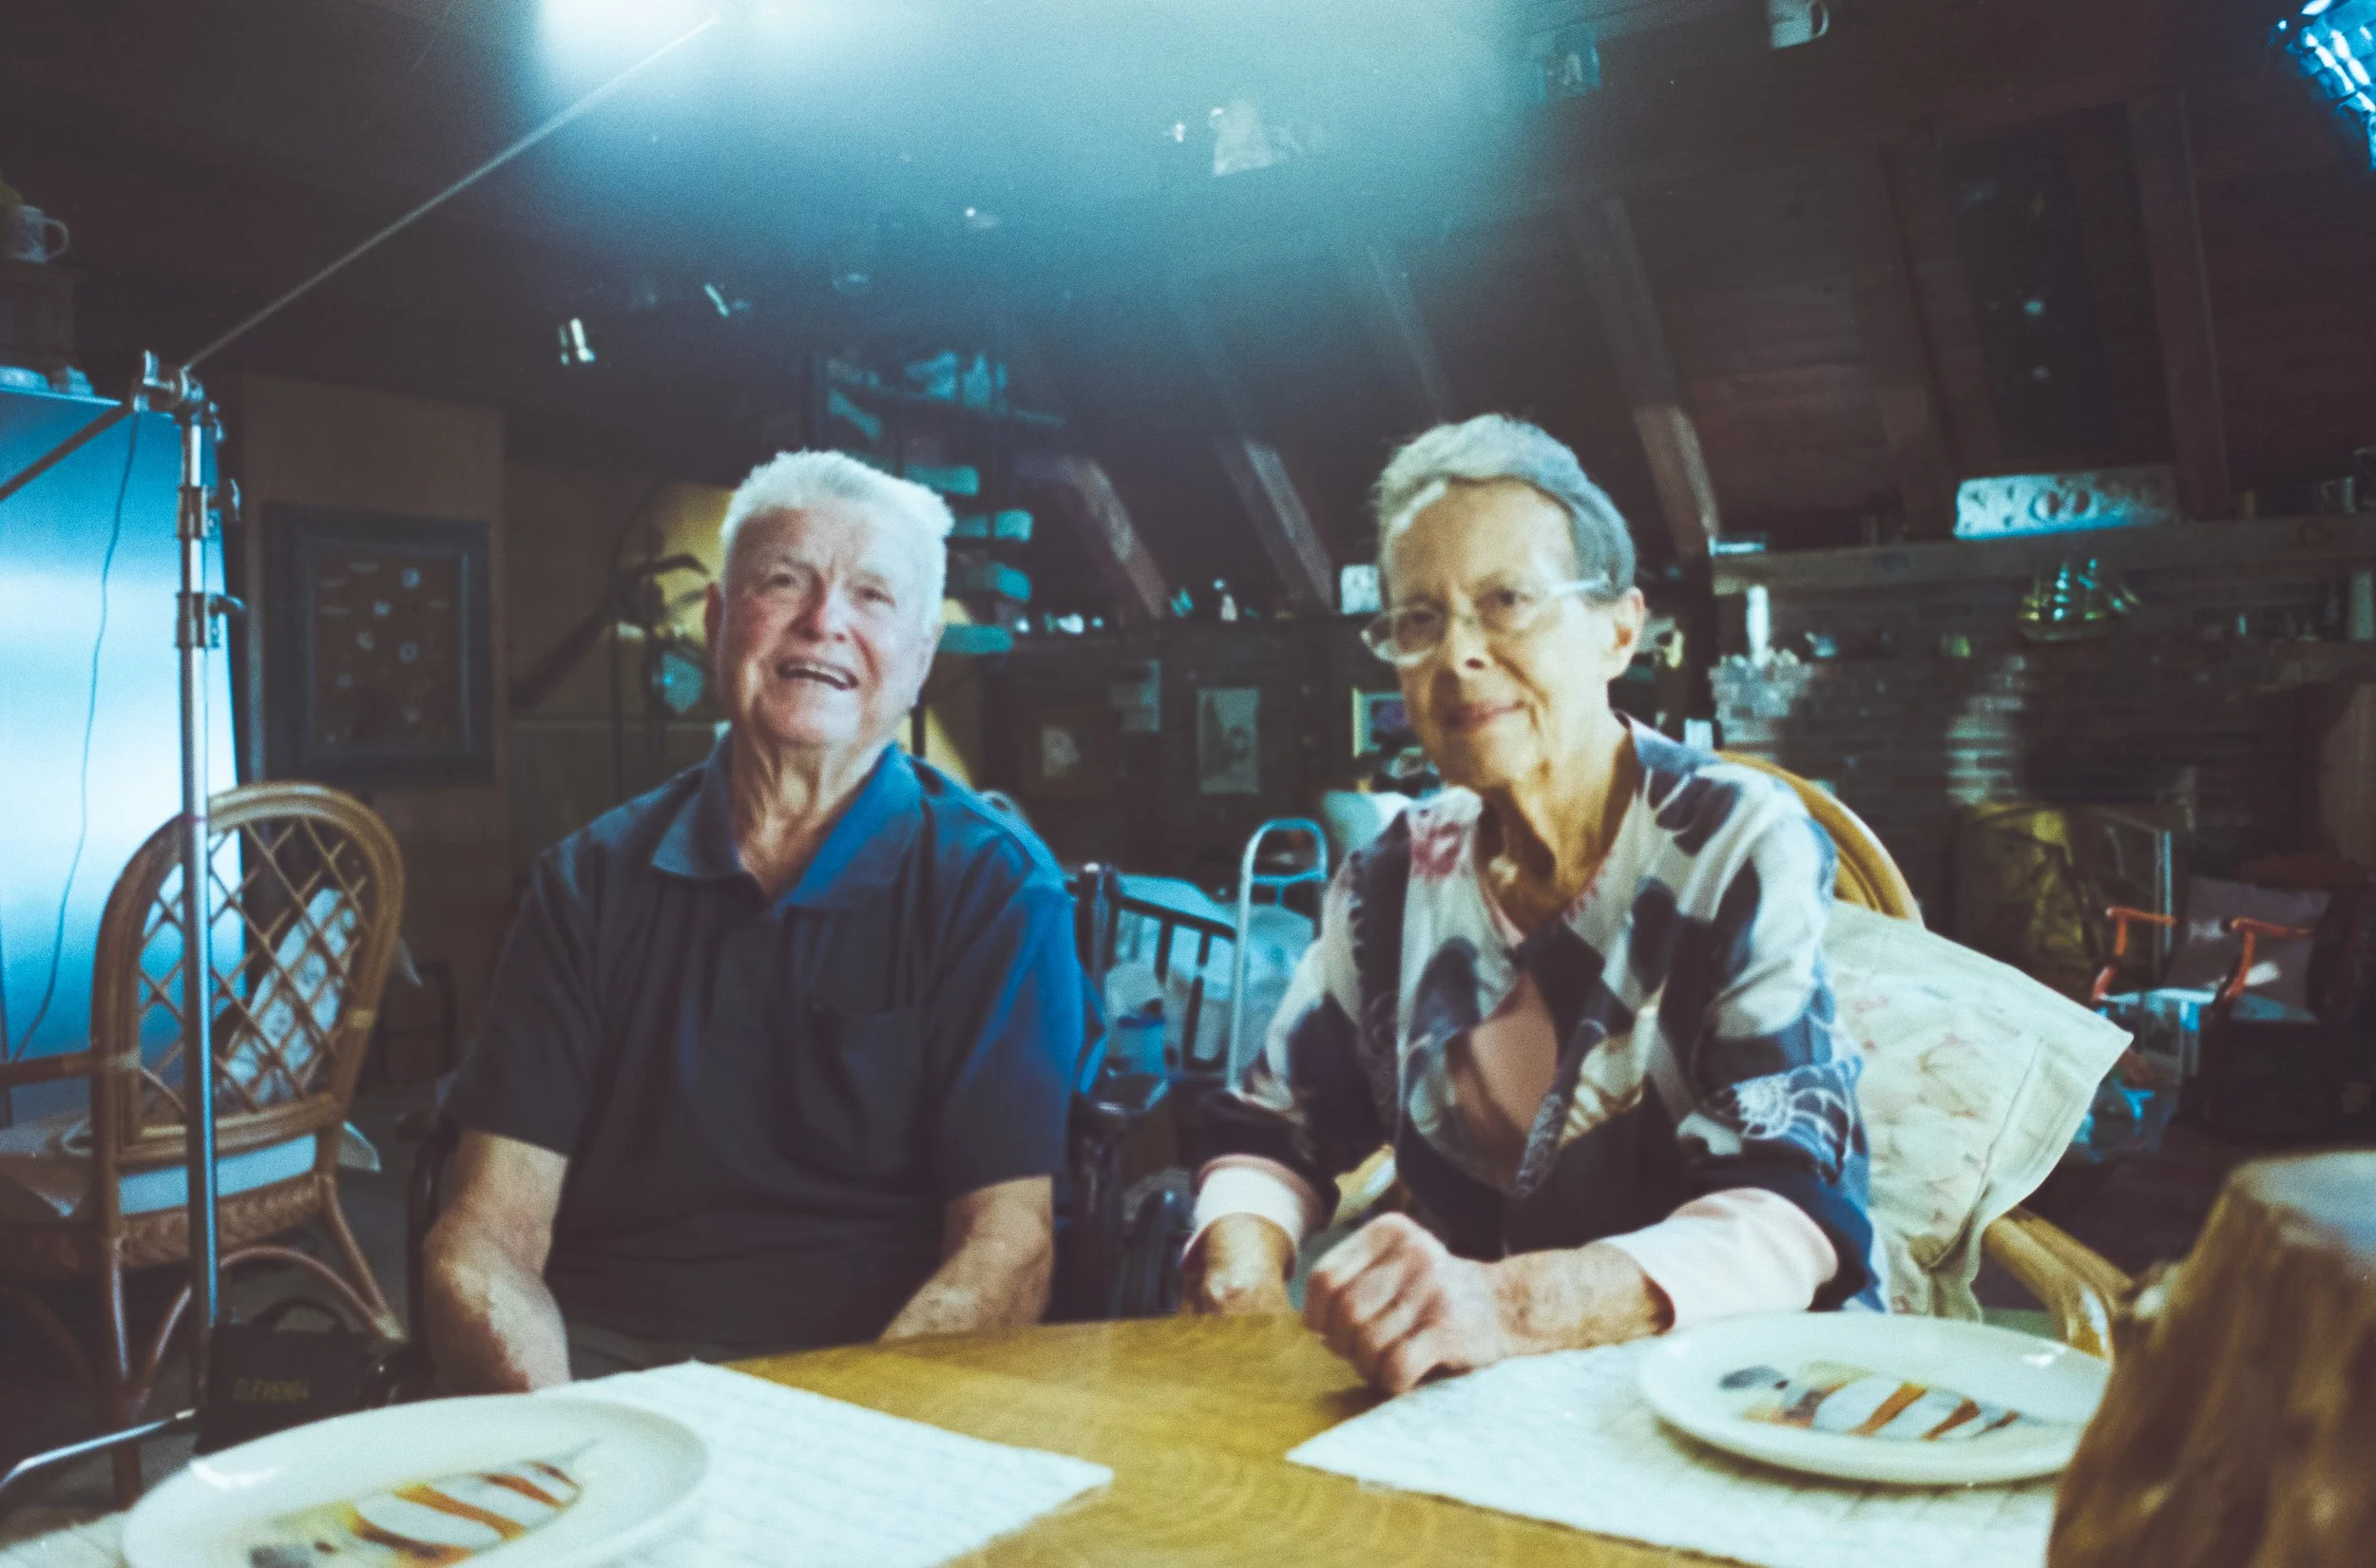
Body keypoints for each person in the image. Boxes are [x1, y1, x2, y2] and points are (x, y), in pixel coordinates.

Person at [1185, 415, 1877, 1393]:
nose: (1456, 654)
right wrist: (1241, 1281)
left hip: (1744, 1393)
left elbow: (1791, 1200)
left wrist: (1507, 1305)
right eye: (1417, 620)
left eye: (1505, 601)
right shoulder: (1388, 880)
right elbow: (1269, 1130)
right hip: (1463, 1403)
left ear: (1618, 629)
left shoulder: (1732, 839)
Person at [425, 451, 1084, 1390]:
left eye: (871, 596)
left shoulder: (995, 890)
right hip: (600, 1367)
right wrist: (559, 1447)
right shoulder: (586, 881)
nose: (824, 621)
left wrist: (841, 1436)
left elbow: (1006, 1242)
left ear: (922, 655)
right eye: (785, 582)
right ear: (717, 622)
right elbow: (488, 1229)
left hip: (873, 1368)